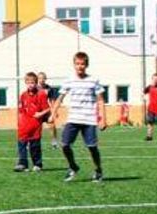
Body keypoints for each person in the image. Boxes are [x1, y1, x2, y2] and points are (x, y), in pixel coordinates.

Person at [50, 51, 107, 182]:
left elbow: (100, 100)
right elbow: (60, 98)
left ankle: (98, 170)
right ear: (74, 65)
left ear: (86, 65)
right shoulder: (69, 80)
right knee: (65, 145)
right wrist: (53, 114)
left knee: (92, 147)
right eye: (77, 64)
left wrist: (103, 119)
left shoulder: (93, 80)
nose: (80, 66)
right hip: (73, 119)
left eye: (82, 64)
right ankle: (73, 167)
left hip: (89, 120)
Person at [14, 72, 51, 172]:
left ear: (36, 83)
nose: (30, 85)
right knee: (21, 144)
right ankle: (23, 164)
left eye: (33, 83)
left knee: (35, 146)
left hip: (35, 125)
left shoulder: (41, 94)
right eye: (28, 83)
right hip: (24, 125)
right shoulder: (23, 95)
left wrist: (40, 114)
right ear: (25, 83)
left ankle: (37, 164)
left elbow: (48, 108)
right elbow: (21, 110)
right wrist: (20, 122)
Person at [36, 72, 60, 148]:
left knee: (52, 125)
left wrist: (54, 111)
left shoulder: (49, 88)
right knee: (34, 128)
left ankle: (54, 142)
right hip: (37, 111)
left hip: (46, 110)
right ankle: (31, 143)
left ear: (45, 79)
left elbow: (52, 101)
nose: (41, 80)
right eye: (40, 78)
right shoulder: (34, 88)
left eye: (43, 78)